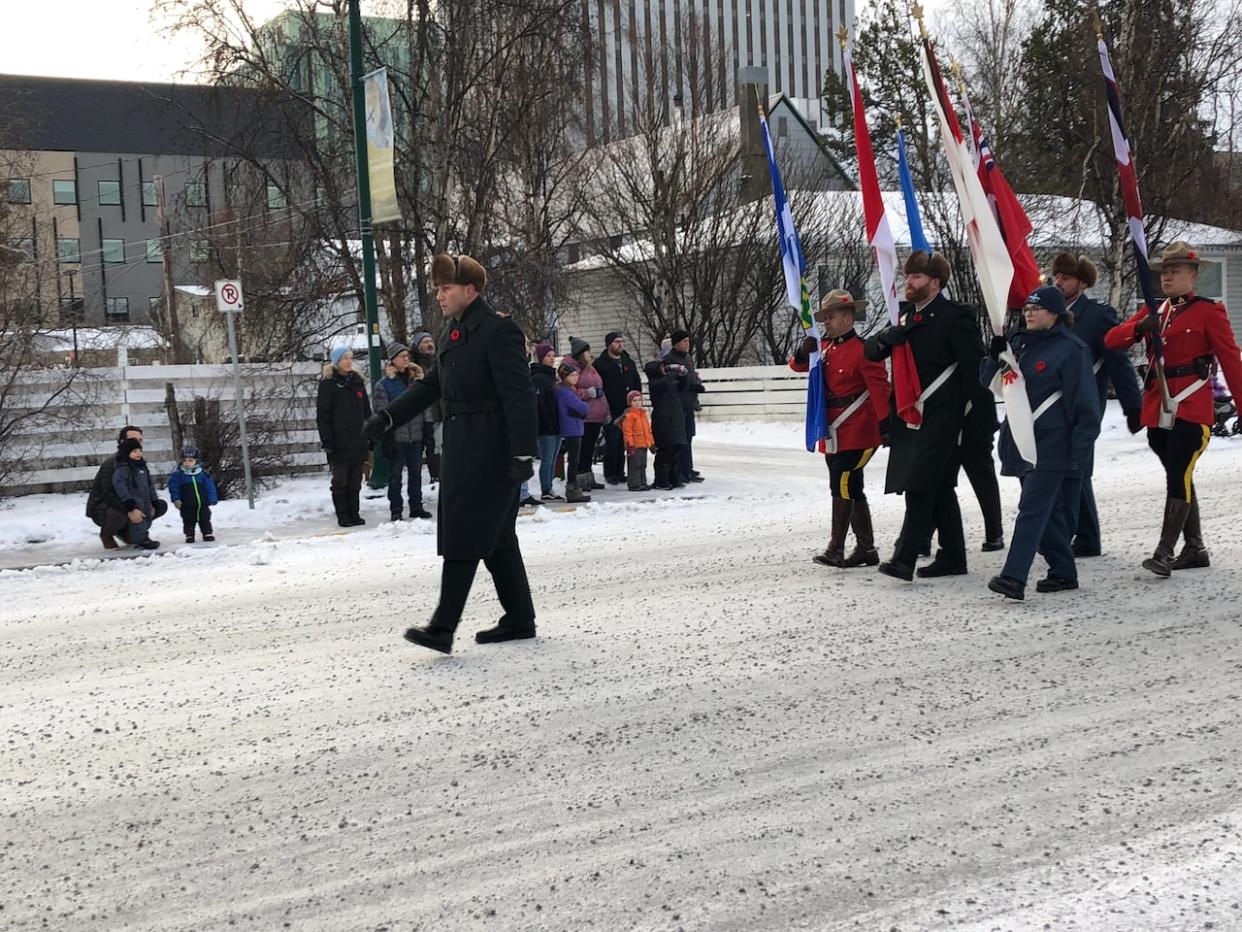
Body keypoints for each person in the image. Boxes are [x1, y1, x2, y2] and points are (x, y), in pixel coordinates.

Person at [363, 253, 539, 653]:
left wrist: (523, 454)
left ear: (470, 290)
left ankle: (443, 626)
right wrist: (387, 418)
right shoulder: (452, 332)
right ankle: (519, 618)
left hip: (492, 449)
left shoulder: (498, 331)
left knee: (465, 531)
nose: (439, 296)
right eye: (439, 288)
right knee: (496, 539)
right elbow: (431, 387)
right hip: (463, 443)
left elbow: (519, 395)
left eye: (446, 288)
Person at [1104, 240, 1242, 575]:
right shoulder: (1156, 312)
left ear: (1193, 275)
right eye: (1165, 271)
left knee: (1179, 472)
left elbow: (1231, 360)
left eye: (1175, 271)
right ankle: (1195, 548)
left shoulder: (1210, 311)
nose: (1167, 277)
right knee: (1179, 474)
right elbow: (1111, 341)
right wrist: (1138, 327)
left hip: (1192, 408)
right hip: (1160, 407)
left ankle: (1164, 551)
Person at [864, 250, 986, 581]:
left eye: (916, 277)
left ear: (935, 282)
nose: (909, 282)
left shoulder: (955, 317)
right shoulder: (904, 316)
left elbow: (975, 370)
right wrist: (887, 338)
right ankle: (953, 556)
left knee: (920, 485)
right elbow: (871, 351)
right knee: (941, 486)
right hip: (913, 414)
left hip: (944, 414)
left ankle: (905, 559)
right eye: (909, 276)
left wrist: (982, 419)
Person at [982, 287, 1101, 600]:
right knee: (1046, 513)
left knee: (1031, 510)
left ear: (1055, 313)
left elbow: (1086, 410)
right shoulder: (1020, 343)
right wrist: (994, 356)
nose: (1029, 313)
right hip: (1022, 439)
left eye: (1037, 308)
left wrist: (1077, 453)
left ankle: (1013, 577)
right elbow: (991, 384)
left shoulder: (1071, 350)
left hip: (1053, 444)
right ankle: (1063, 571)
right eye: (1027, 308)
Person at [1050, 252, 1144, 557]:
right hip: (1055, 401)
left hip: (1086, 400)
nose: (1059, 282)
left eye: (1065, 278)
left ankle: (1083, 535)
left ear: (1083, 282)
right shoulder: (1053, 312)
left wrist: (1132, 406)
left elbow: (1118, 362)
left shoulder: (1097, 315)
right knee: (1070, 466)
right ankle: (1086, 535)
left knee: (1076, 465)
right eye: (1057, 277)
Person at [790, 289, 891, 568]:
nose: (826, 323)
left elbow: (879, 388)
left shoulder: (863, 350)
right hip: (834, 429)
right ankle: (866, 549)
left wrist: (886, 424)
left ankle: (836, 547)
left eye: (831, 317)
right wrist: (802, 351)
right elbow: (797, 366)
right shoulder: (825, 347)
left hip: (859, 429)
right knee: (852, 486)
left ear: (848, 317)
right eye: (825, 318)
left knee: (843, 483)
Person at [374, 343, 431, 521]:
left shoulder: (417, 381)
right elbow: (381, 412)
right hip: (397, 437)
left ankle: (416, 506)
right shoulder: (384, 385)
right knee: (395, 475)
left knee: (416, 473)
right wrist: (387, 436)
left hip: (415, 434)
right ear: (393, 360)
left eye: (407, 356)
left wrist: (427, 428)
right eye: (402, 356)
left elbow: (424, 406)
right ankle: (396, 509)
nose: (406, 359)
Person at [87, 425, 168, 549]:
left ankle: (128, 532)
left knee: (159, 506)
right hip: (104, 506)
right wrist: (130, 509)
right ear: (122, 442)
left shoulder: (139, 463)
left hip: (132, 502)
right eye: (133, 440)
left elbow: (148, 486)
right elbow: (108, 494)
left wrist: (152, 503)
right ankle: (107, 534)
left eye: (140, 440)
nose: (137, 443)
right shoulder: (112, 464)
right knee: (119, 515)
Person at [317, 347, 372, 528]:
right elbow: (323, 416)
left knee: (356, 480)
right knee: (341, 480)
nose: (348, 362)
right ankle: (343, 515)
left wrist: (370, 434)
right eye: (344, 359)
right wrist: (328, 442)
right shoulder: (328, 384)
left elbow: (367, 412)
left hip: (358, 440)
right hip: (339, 442)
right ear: (336, 362)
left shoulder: (357, 382)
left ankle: (354, 513)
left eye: (350, 358)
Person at [594, 331, 642, 484]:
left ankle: (620, 471)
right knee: (612, 441)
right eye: (616, 342)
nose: (620, 344)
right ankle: (610, 472)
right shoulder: (601, 364)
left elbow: (636, 381)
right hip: (611, 408)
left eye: (622, 341)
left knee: (625, 441)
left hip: (627, 409)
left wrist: (636, 399)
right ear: (609, 344)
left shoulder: (628, 362)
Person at [663, 330, 706, 482]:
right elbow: (672, 382)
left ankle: (687, 467)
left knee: (689, 436)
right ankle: (679, 469)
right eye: (684, 341)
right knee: (680, 439)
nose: (687, 344)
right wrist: (687, 387)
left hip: (689, 403)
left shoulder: (687, 358)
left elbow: (692, 375)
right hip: (678, 404)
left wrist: (697, 385)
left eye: (688, 341)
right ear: (676, 343)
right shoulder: (669, 359)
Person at [110, 437, 163, 551]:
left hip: (145, 499)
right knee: (138, 520)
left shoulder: (142, 467)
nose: (138, 454)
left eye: (139, 451)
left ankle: (144, 537)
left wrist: (154, 500)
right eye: (134, 451)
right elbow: (120, 486)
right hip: (134, 501)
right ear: (126, 453)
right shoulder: (123, 469)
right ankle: (141, 540)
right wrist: (129, 503)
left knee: (147, 519)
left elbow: (150, 485)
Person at [569, 337, 608, 491]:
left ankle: (588, 476)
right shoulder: (575, 369)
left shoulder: (591, 368)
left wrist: (606, 410)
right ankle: (580, 478)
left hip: (597, 414)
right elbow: (572, 391)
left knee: (590, 448)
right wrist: (588, 393)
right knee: (583, 449)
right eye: (587, 352)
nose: (590, 354)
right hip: (585, 416)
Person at [644, 358, 689, 489]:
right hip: (663, 421)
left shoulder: (668, 382)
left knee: (675, 450)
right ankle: (661, 480)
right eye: (662, 367)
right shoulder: (655, 383)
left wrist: (683, 376)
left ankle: (673, 477)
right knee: (665, 451)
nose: (665, 369)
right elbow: (665, 381)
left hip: (675, 418)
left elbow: (683, 387)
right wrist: (674, 370)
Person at [555, 359, 592, 504]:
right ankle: (572, 488)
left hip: (574, 427)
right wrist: (583, 407)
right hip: (572, 429)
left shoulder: (566, 391)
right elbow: (583, 408)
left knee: (573, 460)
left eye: (576, 375)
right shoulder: (566, 393)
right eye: (572, 376)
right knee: (573, 461)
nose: (575, 378)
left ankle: (573, 486)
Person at [530, 342, 562, 501]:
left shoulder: (552, 377)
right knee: (548, 458)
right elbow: (540, 403)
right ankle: (546, 487)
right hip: (546, 425)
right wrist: (546, 419)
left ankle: (549, 486)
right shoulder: (538, 378)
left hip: (556, 423)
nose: (551, 358)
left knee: (554, 457)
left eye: (553, 355)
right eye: (548, 356)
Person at [168, 444, 218, 543]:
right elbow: (174, 488)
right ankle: (189, 534)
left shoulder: (203, 474)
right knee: (188, 519)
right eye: (185, 460)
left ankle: (207, 533)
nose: (187, 463)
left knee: (205, 518)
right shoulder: (178, 475)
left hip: (202, 502)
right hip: (186, 503)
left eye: (190, 460)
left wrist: (212, 498)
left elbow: (210, 486)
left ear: (196, 461)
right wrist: (176, 499)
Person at [412, 331, 443, 486]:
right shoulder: (415, 366)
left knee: (437, 444)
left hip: (438, 411)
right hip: (422, 412)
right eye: (425, 342)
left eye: (430, 341)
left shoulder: (438, 361)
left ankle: (437, 474)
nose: (429, 344)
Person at [617, 389, 655, 491]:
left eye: (639, 400)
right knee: (634, 465)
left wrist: (651, 444)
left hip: (643, 444)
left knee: (642, 464)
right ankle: (634, 484)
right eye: (634, 400)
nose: (637, 403)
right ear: (630, 403)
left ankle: (642, 482)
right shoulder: (629, 416)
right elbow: (627, 432)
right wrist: (630, 446)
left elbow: (648, 431)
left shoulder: (643, 415)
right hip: (635, 445)